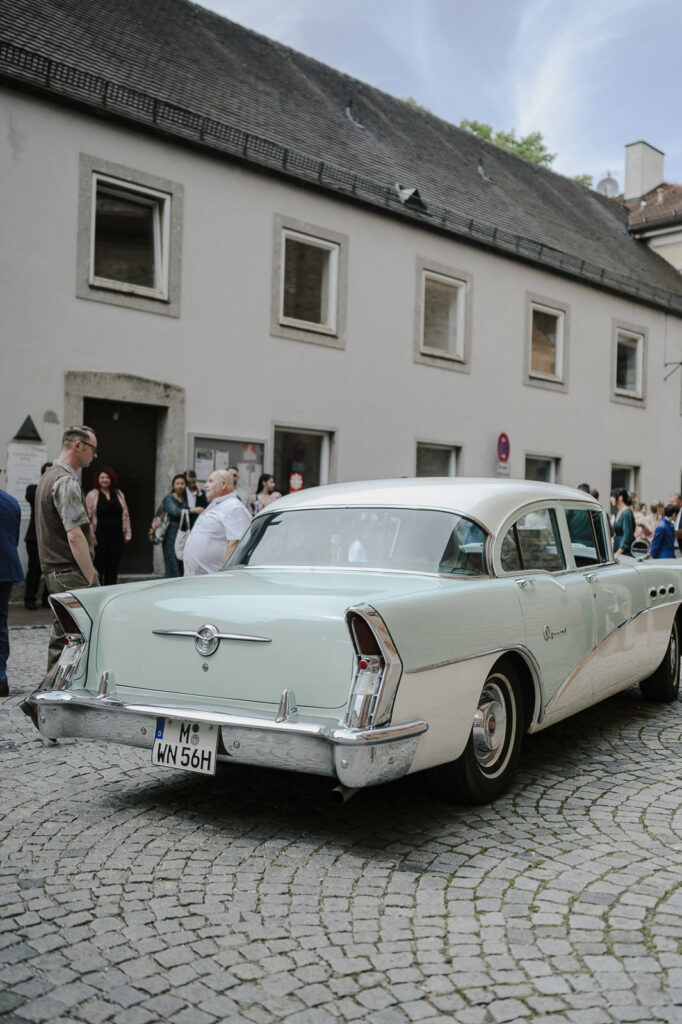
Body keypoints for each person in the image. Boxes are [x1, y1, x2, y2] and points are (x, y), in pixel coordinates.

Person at [22, 425, 100, 725]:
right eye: (93, 448)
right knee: (80, 639)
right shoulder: (65, 481)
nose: (95, 455)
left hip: (54, 571)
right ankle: (42, 699)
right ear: (78, 446)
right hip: (70, 572)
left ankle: (54, 706)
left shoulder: (47, 478)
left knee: (63, 640)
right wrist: (91, 578)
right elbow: (75, 536)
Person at [183, 469, 252, 576]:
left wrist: (223, 575)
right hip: (199, 578)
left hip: (214, 580)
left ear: (223, 484)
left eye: (210, 481)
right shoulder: (216, 504)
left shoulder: (234, 506)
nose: (205, 485)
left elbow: (236, 543)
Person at [85, 466, 131, 585]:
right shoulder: (92, 495)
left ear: (111, 479)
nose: (105, 479)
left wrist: (127, 533)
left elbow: (125, 515)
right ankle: (98, 593)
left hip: (116, 536)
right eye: (102, 477)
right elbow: (86, 518)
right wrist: (91, 537)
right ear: (98, 479)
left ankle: (110, 594)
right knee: (98, 568)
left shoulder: (119, 494)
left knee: (113, 568)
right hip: (99, 537)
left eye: (107, 477)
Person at [0, 488, 24, 697]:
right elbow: (14, 538)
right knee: (1, 622)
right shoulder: (11, 502)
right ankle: (1, 679)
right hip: (5, 568)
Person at [24, 461, 52, 609]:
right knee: (34, 569)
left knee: (50, 570)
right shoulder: (33, 489)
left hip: (51, 539)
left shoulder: (57, 490)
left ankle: (47, 599)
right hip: (34, 538)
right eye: (46, 472)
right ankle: (29, 598)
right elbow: (31, 497)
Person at [162, 474, 189, 578]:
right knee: (171, 561)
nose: (180, 486)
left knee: (180, 561)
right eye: (177, 483)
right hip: (171, 533)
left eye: (182, 483)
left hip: (182, 533)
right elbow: (175, 512)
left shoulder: (184, 498)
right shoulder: (169, 498)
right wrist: (192, 510)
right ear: (173, 485)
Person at [613, 489, 636, 556]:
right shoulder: (617, 513)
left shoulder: (627, 513)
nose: (611, 499)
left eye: (612, 496)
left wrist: (619, 552)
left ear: (620, 497)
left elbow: (627, 535)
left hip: (624, 551)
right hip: (617, 546)